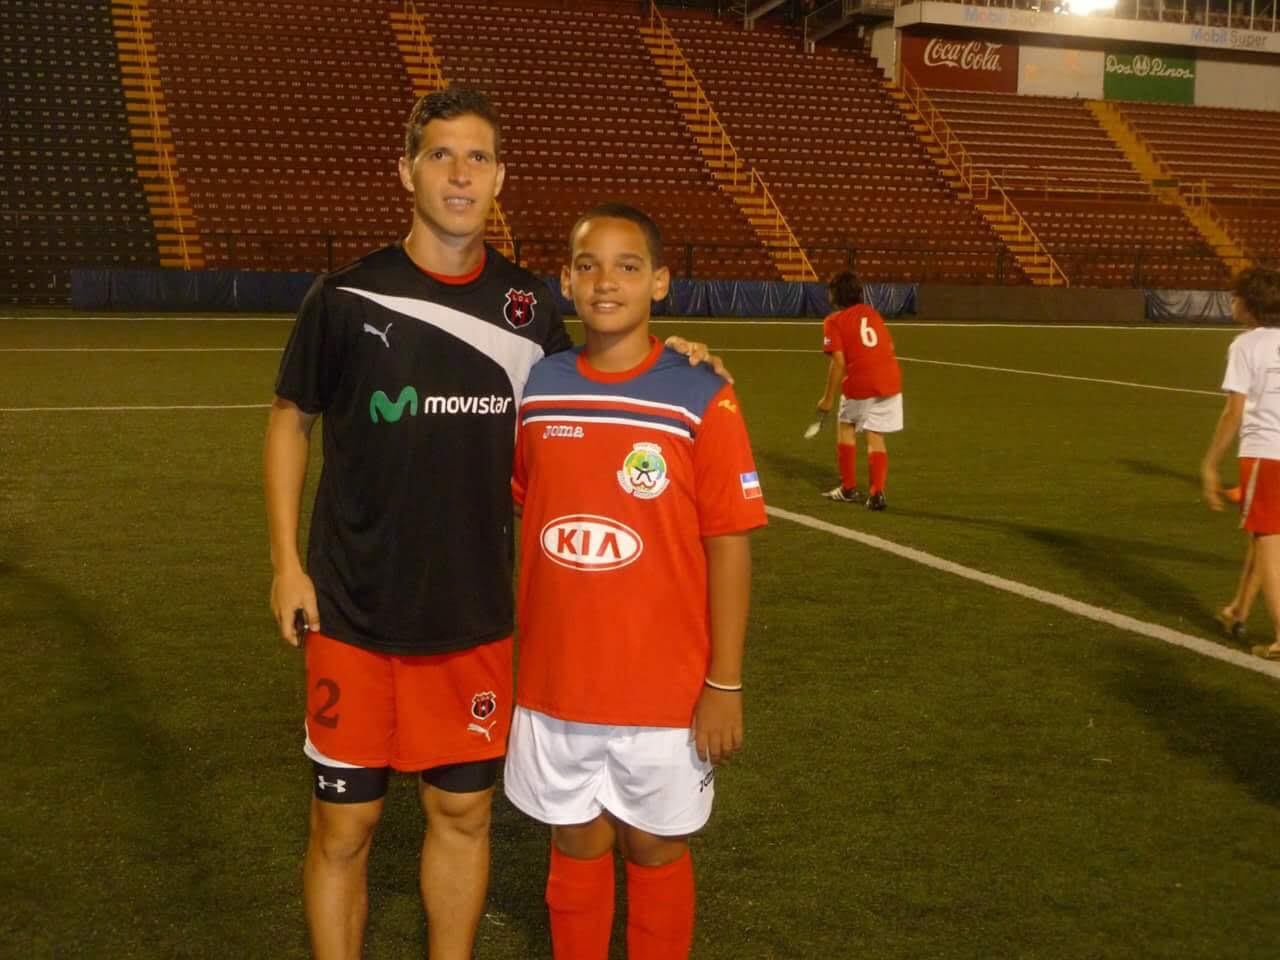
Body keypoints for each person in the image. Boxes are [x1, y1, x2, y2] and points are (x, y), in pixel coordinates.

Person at [264, 87, 723, 960]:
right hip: (351, 610)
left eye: (477, 157)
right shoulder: (347, 294)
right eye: (441, 155)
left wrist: (687, 358)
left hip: (473, 617)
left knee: (463, 812)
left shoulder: (531, 312)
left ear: (501, 178)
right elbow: (291, 417)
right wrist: (287, 563)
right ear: (407, 171)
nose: (460, 173)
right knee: (344, 824)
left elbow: (611, 369)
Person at [502, 203, 767, 960]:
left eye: (626, 266)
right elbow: (526, 504)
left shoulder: (700, 394)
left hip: (665, 690)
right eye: (587, 265)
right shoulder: (541, 387)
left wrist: (725, 683)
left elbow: (730, 545)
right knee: (577, 840)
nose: (604, 281)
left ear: (660, 281)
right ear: (565, 281)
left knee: (654, 846)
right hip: (557, 684)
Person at [1200, 266, 1280, 661]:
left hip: (1266, 454)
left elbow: (1233, 413)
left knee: (1269, 541)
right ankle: (1238, 609)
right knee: (1263, 535)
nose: (1231, 302)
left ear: (1249, 305)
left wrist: (1210, 464)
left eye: (1235, 296)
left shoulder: (1246, 346)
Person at [815, 270, 902, 511]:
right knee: (875, 433)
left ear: (836, 294)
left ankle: (848, 488)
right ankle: (876, 493)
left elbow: (839, 362)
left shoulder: (834, 321)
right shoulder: (873, 313)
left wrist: (827, 398)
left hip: (862, 381)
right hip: (891, 380)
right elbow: (890, 344)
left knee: (846, 427)